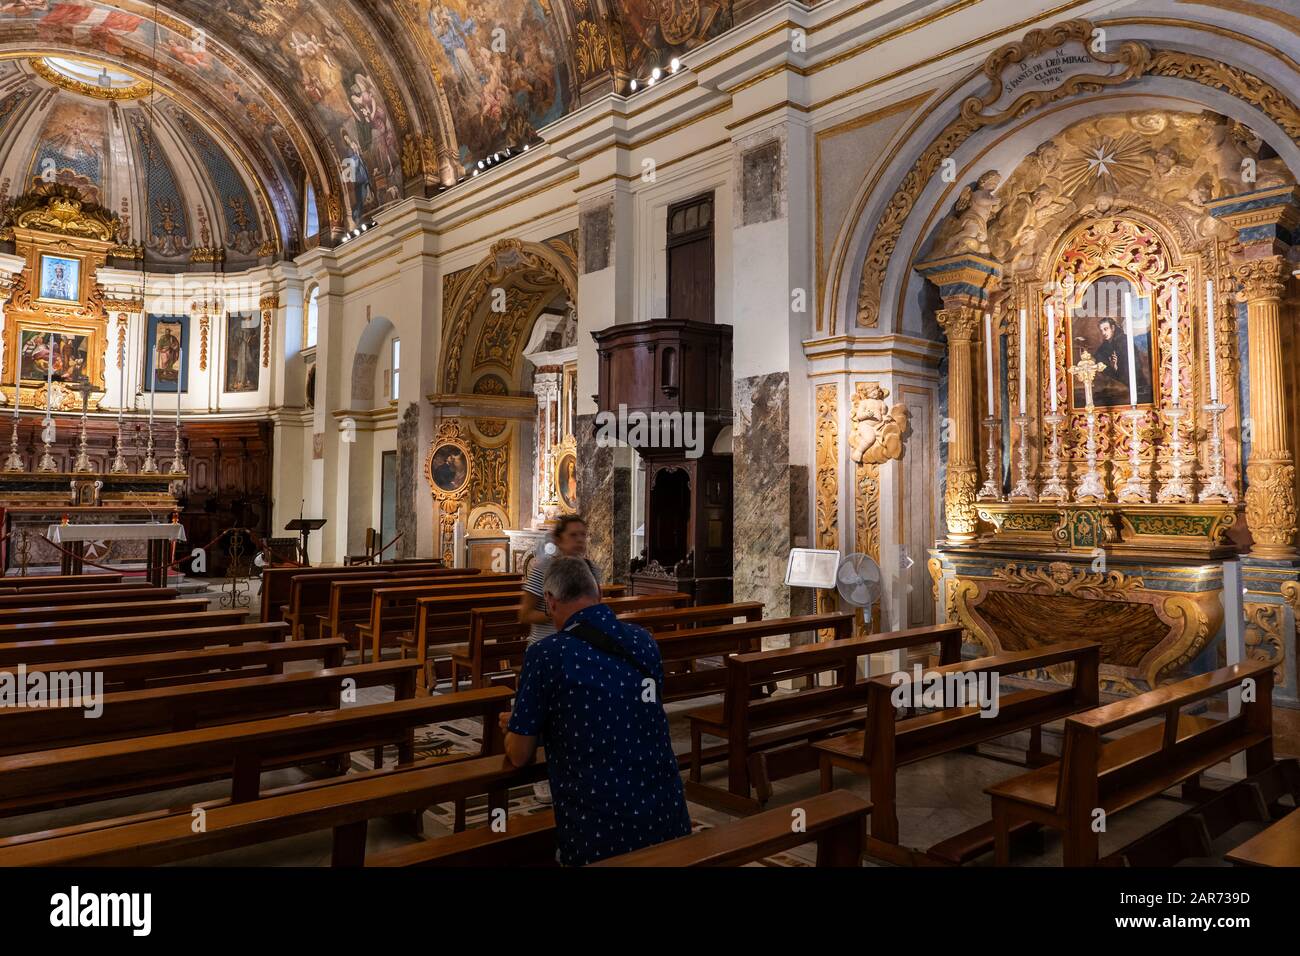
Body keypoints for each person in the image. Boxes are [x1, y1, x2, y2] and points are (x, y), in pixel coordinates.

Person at [501, 556, 692, 866]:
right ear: (599, 593)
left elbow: (520, 753)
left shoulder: (548, 654)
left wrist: (518, 725)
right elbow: (626, 704)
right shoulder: (643, 641)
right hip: (667, 815)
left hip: (600, 831)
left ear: (549, 602)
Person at [517, 514, 600, 804]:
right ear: (558, 540)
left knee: (572, 715)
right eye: (573, 535)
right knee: (540, 716)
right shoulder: (542, 569)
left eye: (583, 535)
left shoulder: (590, 570)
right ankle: (541, 778)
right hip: (544, 648)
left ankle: (572, 771)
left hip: (579, 650)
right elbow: (524, 614)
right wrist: (559, 615)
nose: (579, 541)